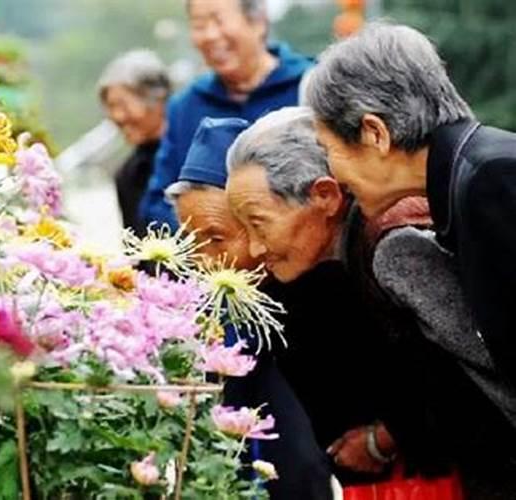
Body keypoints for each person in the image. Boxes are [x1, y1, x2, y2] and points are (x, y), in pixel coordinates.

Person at [226, 106, 516, 497]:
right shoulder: (348, 255)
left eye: (258, 223)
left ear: (325, 195)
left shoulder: (391, 247)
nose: (255, 247)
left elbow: (495, 375)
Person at [305, 22, 516, 396]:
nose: (332, 175)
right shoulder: (467, 178)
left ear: (375, 134)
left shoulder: (490, 179)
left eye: (328, 150)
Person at [165, 117, 334, 500]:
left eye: (217, 238)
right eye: (190, 243)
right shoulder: (214, 317)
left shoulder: (310, 307)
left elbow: (301, 467)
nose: (205, 262)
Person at [138, 0, 313, 230]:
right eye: (199, 25)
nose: (210, 35)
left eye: (218, 21)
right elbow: (157, 203)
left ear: (258, 22)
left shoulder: (310, 86)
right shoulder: (185, 107)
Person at [98, 49, 171, 237]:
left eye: (123, 105)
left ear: (158, 99)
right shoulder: (127, 174)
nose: (117, 116)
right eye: (110, 107)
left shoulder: (189, 157)